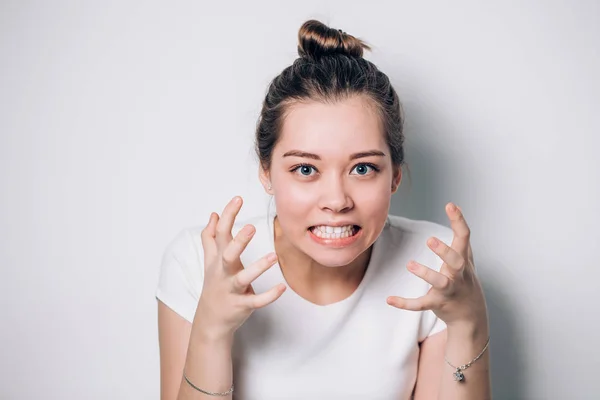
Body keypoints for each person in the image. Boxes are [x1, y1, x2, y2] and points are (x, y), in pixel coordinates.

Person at [156, 19, 491, 400]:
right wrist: (211, 331)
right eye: (306, 169)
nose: (336, 200)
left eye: (363, 168)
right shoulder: (199, 263)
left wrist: (468, 323)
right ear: (266, 173)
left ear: (395, 176)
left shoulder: (437, 263)